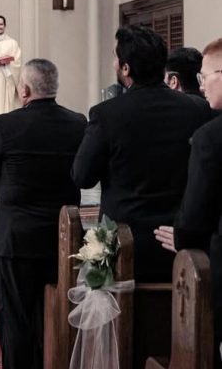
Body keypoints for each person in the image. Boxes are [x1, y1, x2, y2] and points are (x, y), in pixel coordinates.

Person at [0, 59, 86, 369]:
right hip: (63, 237)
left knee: (16, 319)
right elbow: (82, 175)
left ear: (24, 90)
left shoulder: (5, 124)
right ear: (54, 86)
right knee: (56, 313)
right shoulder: (78, 123)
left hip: (16, 238)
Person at [73, 25, 212, 282]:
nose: (114, 63)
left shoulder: (106, 114)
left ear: (126, 68)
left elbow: (82, 176)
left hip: (122, 246)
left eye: (116, 57)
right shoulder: (198, 109)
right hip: (180, 243)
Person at [155, 38, 222, 369]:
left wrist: (181, 236)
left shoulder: (212, 138)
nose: (204, 86)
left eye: (208, 77)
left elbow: (195, 217)